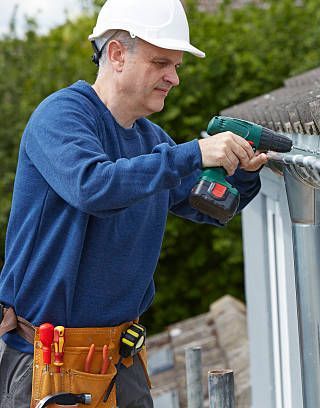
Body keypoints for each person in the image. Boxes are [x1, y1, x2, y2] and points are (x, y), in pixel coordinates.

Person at [0, 0, 267, 406]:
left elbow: (209, 208)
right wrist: (194, 153)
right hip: (49, 367)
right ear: (117, 54)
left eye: (176, 66)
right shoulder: (60, 117)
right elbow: (93, 187)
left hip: (122, 362)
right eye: (162, 63)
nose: (173, 78)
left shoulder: (151, 140)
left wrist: (243, 172)